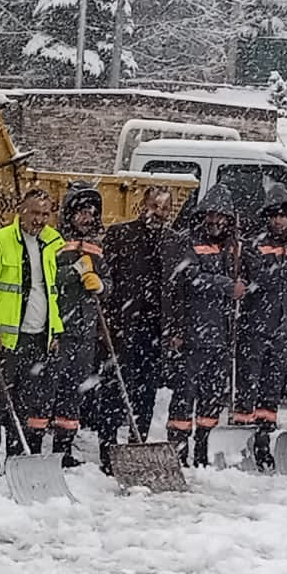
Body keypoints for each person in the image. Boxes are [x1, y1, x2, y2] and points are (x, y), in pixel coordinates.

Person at [0, 189, 62, 477]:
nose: (40, 219)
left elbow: (51, 292)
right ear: (20, 211)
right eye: (34, 212)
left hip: (37, 337)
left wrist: (54, 333)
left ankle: (14, 463)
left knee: (25, 408)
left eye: (45, 214)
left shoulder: (51, 243)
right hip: (6, 338)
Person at [165, 185, 238, 465]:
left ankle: (203, 447)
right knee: (184, 394)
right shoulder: (189, 243)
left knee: (212, 397)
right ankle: (178, 449)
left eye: (222, 216)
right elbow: (190, 280)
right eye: (212, 214)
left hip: (221, 336)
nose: (216, 221)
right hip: (194, 334)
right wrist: (227, 285)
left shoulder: (233, 249)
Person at [101, 186, 177, 443]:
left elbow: (176, 290)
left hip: (155, 328)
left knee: (147, 390)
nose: (159, 213)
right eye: (155, 206)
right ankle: (108, 442)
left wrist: (174, 328)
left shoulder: (173, 242)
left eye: (165, 208)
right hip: (122, 323)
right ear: (143, 206)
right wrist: (108, 319)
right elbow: (106, 279)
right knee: (116, 385)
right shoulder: (120, 235)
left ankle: (139, 438)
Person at [237, 195, 287, 469]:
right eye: (275, 216)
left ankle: (264, 439)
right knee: (249, 381)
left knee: (273, 386)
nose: (279, 221)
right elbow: (258, 279)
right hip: (257, 324)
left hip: (284, 326)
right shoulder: (256, 244)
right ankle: (241, 437)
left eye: (284, 216)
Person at [50, 183, 107, 468]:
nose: (87, 217)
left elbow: (107, 282)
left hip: (86, 331)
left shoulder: (97, 246)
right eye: (82, 212)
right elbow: (46, 279)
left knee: (74, 391)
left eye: (91, 212)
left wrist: (101, 285)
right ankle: (38, 444)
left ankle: (64, 447)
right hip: (60, 329)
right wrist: (73, 272)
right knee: (50, 388)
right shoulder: (56, 242)